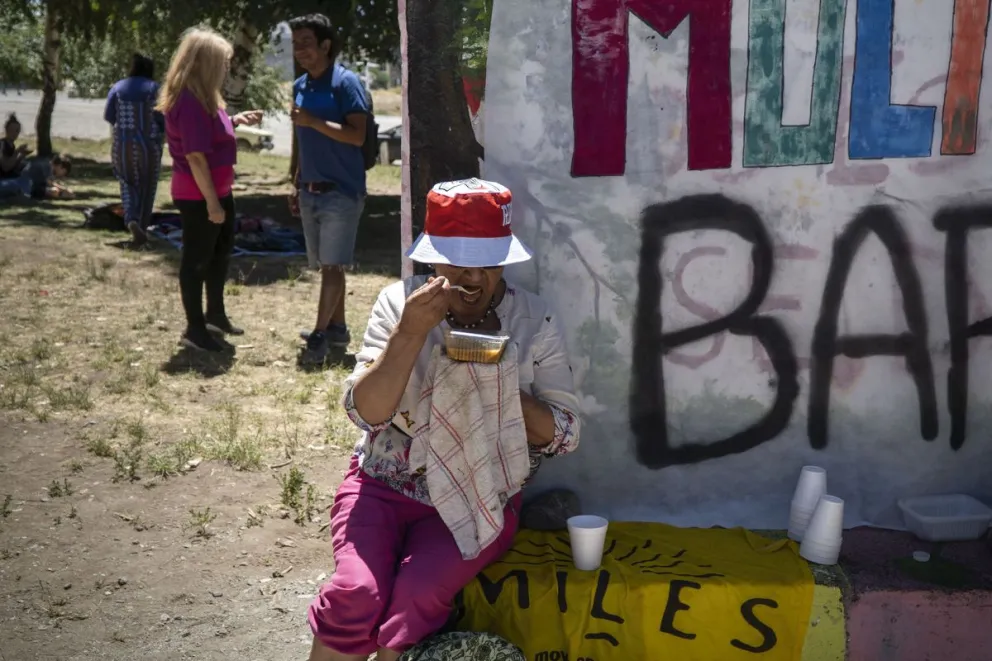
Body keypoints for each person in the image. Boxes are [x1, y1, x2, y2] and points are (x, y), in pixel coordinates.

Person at [306, 179, 581, 661]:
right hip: (383, 485)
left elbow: (566, 433)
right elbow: (365, 413)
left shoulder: (534, 320)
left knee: (415, 597)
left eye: (487, 264)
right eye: (456, 261)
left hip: (482, 494)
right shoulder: (399, 305)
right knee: (355, 593)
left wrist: (499, 383)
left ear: (503, 262)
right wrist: (411, 334)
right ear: (432, 259)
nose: (472, 277)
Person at [156, 28, 264, 352]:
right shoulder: (188, 101)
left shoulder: (203, 96)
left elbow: (211, 129)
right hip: (199, 195)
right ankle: (194, 329)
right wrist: (212, 204)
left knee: (219, 254)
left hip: (216, 191)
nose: (226, 69)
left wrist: (235, 120)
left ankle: (214, 314)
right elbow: (195, 157)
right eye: (222, 62)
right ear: (204, 63)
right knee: (197, 260)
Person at [288, 13, 370, 365]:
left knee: (333, 267)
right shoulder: (300, 86)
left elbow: (358, 135)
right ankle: (337, 328)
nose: (299, 50)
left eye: (306, 42)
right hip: (310, 189)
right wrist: (294, 181)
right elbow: (300, 138)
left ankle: (319, 336)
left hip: (342, 190)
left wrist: (313, 121)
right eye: (295, 44)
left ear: (325, 45)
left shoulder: (346, 83)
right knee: (328, 266)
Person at [105, 53, 165, 247]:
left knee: (127, 183)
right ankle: (143, 228)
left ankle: (131, 220)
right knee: (147, 187)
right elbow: (164, 121)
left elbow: (109, 116)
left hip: (123, 145)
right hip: (149, 146)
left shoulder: (118, 87)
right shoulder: (156, 90)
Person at [0, 113, 31, 180]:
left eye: (17, 131)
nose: (15, 133)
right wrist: (17, 151)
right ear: (7, 130)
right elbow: (5, 168)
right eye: (12, 130)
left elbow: (12, 165)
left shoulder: (12, 145)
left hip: (8, 176)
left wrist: (22, 155)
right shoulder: (2, 144)